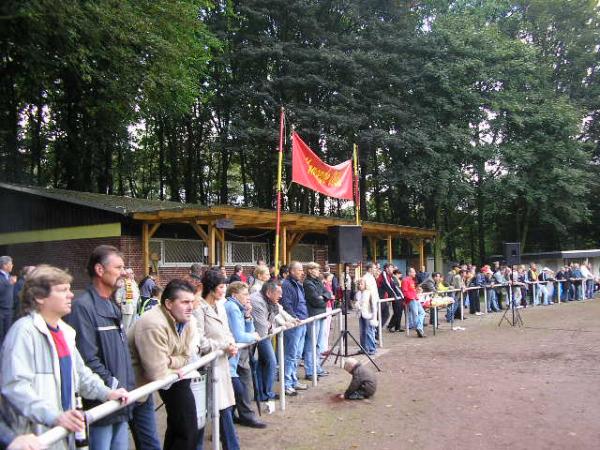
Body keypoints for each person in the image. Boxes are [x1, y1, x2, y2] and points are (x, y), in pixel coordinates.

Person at [1, 265, 129, 450]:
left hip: (60, 435)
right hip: (36, 438)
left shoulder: (65, 332)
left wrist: (106, 393)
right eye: (63, 290)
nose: (71, 295)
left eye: (69, 290)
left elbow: (81, 374)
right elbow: (16, 387)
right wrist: (54, 416)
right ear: (39, 297)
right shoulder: (23, 332)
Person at [65, 245, 135, 450]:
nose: (124, 272)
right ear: (100, 270)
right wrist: (112, 386)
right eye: (119, 267)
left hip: (120, 402)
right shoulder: (83, 307)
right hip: (101, 405)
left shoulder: (112, 304)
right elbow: (87, 358)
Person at [129, 279, 199, 450]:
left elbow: (187, 355)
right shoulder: (153, 324)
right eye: (184, 302)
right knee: (149, 444)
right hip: (133, 389)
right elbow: (158, 372)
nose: (190, 307)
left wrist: (170, 361)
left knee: (185, 426)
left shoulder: (186, 320)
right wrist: (174, 363)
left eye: (191, 301)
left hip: (151, 385)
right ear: (168, 303)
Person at [193, 270, 240, 450]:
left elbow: (226, 330)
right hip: (206, 367)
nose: (224, 290)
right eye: (221, 287)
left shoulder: (220, 306)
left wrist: (231, 344)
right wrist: (222, 346)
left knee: (223, 407)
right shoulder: (198, 308)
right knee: (204, 411)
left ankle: (231, 445)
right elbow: (199, 340)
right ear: (211, 288)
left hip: (221, 364)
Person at [223, 282, 266, 428]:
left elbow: (248, 331)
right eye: (245, 294)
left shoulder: (238, 308)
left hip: (238, 355)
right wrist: (254, 336)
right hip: (231, 357)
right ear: (235, 295)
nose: (248, 297)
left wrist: (248, 316)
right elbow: (240, 336)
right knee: (238, 389)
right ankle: (228, 424)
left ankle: (237, 417)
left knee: (240, 386)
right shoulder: (233, 307)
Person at [250, 280, 297, 412]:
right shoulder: (257, 301)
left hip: (262, 335)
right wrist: (276, 325)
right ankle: (265, 393)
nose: (281, 296)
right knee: (271, 362)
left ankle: (262, 394)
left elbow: (276, 314)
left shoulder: (270, 301)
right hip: (259, 336)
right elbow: (262, 327)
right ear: (269, 293)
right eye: (278, 293)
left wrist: (288, 320)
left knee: (263, 364)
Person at [280, 261, 308, 396]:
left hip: (302, 322)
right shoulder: (286, 285)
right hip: (294, 324)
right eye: (299, 270)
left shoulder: (297, 283)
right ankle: (287, 384)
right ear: (292, 271)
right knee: (290, 355)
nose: (302, 272)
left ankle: (293, 380)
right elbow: (286, 304)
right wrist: (293, 318)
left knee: (297, 355)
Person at [302, 262, 330, 379]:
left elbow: (327, 293)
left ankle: (317, 367)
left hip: (321, 314)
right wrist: (324, 298)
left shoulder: (318, 281)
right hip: (313, 315)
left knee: (318, 344)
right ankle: (309, 370)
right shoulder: (308, 283)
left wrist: (323, 297)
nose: (319, 270)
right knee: (311, 344)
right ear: (310, 270)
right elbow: (315, 300)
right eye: (316, 269)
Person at [355, 278, 377, 355]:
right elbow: (357, 302)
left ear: (365, 285)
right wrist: (357, 306)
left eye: (361, 284)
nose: (360, 285)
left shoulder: (369, 293)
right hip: (360, 314)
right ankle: (363, 348)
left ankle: (372, 348)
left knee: (369, 331)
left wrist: (374, 316)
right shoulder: (358, 293)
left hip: (368, 314)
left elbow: (373, 305)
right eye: (359, 284)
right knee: (362, 332)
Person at [401, 268, 425, 338]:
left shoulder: (411, 280)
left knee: (422, 313)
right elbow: (404, 291)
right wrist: (410, 298)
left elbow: (411, 290)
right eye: (413, 272)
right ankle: (419, 329)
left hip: (415, 299)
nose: (415, 273)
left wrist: (416, 291)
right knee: (416, 315)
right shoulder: (405, 280)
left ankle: (419, 328)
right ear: (409, 273)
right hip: (411, 300)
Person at [379, 263, 403, 333]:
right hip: (380, 297)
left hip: (383, 297)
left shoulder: (390, 276)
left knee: (386, 314)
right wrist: (394, 295)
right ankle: (377, 330)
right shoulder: (384, 274)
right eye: (391, 267)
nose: (393, 269)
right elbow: (388, 285)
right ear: (386, 269)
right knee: (382, 315)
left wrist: (401, 295)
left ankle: (377, 331)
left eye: (393, 267)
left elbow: (394, 286)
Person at [0, 256, 15, 343]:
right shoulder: (3, 278)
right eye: (10, 264)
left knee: (8, 334)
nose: (12, 265)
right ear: (5, 265)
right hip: (1, 309)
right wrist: (8, 284)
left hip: (9, 309)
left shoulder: (8, 277)